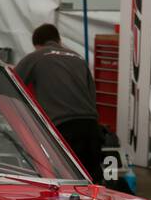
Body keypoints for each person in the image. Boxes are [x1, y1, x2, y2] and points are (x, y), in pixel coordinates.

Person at [14, 24, 103, 184]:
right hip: (91, 127)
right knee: (92, 181)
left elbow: (11, 83)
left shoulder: (36, 56)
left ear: (37, 45)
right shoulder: (78, 58)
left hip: (62, 128)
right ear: (59, 40)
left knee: (64, 182)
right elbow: (92, 94)